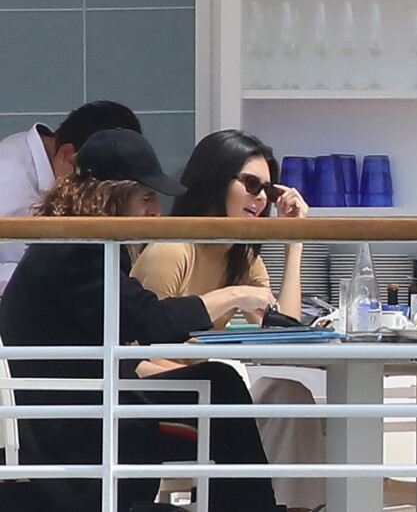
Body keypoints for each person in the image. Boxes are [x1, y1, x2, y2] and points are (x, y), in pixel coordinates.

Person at [0, 129, 287, 512]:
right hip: (82, 425)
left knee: (220, 384)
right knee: (221, 387)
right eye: (147, 197)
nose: (155, 210)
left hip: (90, 411)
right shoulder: (76, 252)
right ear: (113, 195)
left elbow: (128, 327)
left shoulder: (75, 245)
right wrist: (233, 296)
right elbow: (147, 319)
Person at [131, 130, 326, 512]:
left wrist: (295, 240)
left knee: (289, 395)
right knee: (225, 384)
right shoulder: (173, 249)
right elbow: (134, 352)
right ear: (217, 179)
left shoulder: (240, 255)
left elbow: (281, 328)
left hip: (207, 391)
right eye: (251, 184)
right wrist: (208, 380)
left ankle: (295, 504)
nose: (260, 198)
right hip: (153, 395)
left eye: (268, 192)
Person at [0, 100, 143, 294]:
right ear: (66, 153)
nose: (101, 195)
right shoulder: (8, 179)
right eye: (94, 179)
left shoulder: (44, 159)